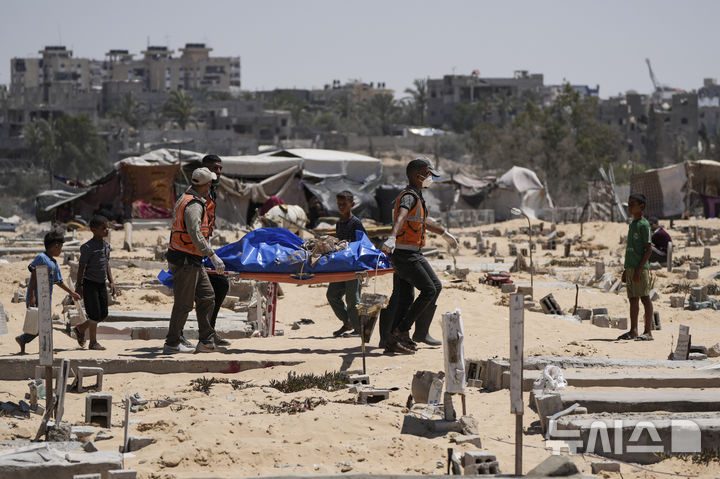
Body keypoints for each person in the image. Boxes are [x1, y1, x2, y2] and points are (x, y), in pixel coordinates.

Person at [380, 158, 458, 354]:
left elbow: (423, 221)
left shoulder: (417, 196)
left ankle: (395, 338)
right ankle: (403, 331)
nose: (430, 178)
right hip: (406, 255)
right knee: (432, 289)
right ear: (418, 176)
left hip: (407, 253)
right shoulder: (409, 197)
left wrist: (444, 233)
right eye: (428, 174)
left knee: (405, 298)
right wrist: (391, 237)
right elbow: (401, 216)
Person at [164, 167, 226, 354]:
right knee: (183, 303)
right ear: (206, 185)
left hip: (191, 259)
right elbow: (195, 232)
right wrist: (211, 255)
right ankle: (172, 342)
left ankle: (206, 341)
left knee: (207, 296)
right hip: (185, 259)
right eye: (209, 183)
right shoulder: (194, 205)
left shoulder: (187, 198)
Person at [15, 230, 81, 354]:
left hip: (47, 297)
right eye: (60, 247)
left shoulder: (54, 263)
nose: (60, 251)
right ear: (56, 245)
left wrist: (71, 293)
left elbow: (59, 281)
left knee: (43, 325)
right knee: (44, 325)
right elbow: (34, 276)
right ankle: (44, 348)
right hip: (37, 297)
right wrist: (32, 296)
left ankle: (23, 340)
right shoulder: (41, 258)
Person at [199, 154, 231, 346]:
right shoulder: (198, 193)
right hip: (191, 252)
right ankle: (175, 338)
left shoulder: (211, 192)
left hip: (202, 249)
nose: (218, 172)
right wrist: (210, 254)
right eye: (213, 168)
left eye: (220, 169)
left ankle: (209, 332)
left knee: (220, 285)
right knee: (187, 300)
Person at [326, 191, 367, 337]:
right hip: (341, 266)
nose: (341, 206)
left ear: (352, 204)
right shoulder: (339, 223)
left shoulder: (356, 222)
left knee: (352, 298)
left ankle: (358, 329)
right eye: (339, 204)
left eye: (344, 204)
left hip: (354, 266)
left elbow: (363, 242)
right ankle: (347, 322)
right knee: (332, 295)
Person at [74, 215, 115, 351]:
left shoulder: (106, 246)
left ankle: (81, 328)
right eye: (103, 228)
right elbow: (81, 267)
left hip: (101, 283)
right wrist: (79, 286)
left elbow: (106, 264)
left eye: (107, 227)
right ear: (94, 230)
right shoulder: (87, 247)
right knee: (94, 313)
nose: (107, 230)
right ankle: (93, 342)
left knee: (103, 313)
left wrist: (111, 281)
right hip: (90, 283)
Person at [617, 193, 654, 341]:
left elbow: (648, 249)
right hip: (631, 267)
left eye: (633, 204)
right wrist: (627, 269)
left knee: (645, 298)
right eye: (629, 204)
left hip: (641, 268)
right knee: (633, 299)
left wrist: (639, 269)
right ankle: (633, 330)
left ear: (641, 207)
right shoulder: (632, 224)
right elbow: (631, 248)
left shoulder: (644, 225)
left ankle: (648, 331)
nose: (630, 207)